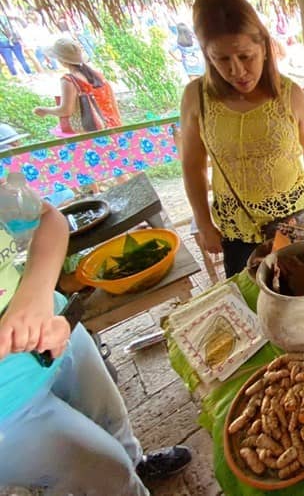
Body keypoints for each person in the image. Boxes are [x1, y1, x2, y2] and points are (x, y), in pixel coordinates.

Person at [0, 200, 191, 494]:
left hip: (57, 327)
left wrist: (34, 296)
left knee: (109, 415)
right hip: (9, 404)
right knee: (106, 474)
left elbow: (49, 217)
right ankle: (126, 481)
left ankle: (136, 464)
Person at [180, 0, 304, 278]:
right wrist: (203, 222)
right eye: (221, 59)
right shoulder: (196, 98)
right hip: (238, 230)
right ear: (207, 56)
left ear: (264, 47)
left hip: (294, 225)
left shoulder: (290, 95)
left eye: (245, 56)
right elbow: (192, 166)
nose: (237, 70)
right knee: (252, 304)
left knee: (300, 296)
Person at [32, 37, 122, 132]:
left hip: (96, 130)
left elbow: (66, 110)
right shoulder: (97, 75)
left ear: (62, 60)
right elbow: (113, 102)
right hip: (114, 125)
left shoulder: (69, 80)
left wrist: (45, 110)